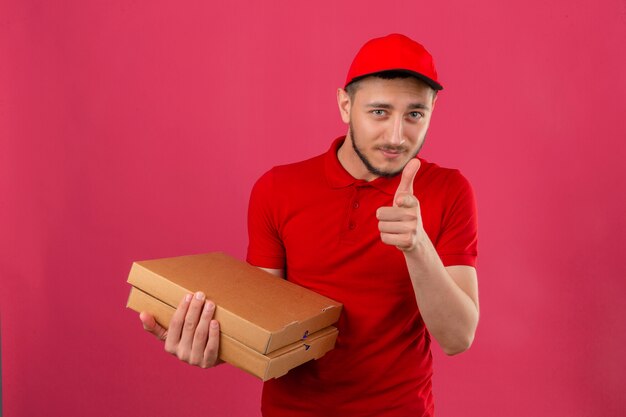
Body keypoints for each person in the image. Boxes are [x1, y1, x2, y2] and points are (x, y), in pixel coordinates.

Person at [140, 33, 479, 417]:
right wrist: (210, 344)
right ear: (345, 105)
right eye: (379, 112)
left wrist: (417, 247)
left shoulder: (450, 191)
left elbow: (457, 337)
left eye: (415, 114)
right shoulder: (278, 189)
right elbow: (262, 323)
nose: (397, 136)